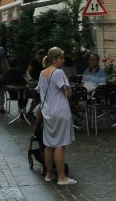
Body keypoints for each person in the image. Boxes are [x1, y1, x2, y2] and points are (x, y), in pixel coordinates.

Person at [37, 47, 77, 186]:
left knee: (49, 145)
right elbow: (69, 92)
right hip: (59, 110)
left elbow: (40, 91)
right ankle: (61, 177)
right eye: (62, 58)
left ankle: (49, 174)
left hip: (47, 111)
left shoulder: (43, 73)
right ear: (55, 59)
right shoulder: (59, 72)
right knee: (60, 143)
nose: (63, 60)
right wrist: (68, 88)